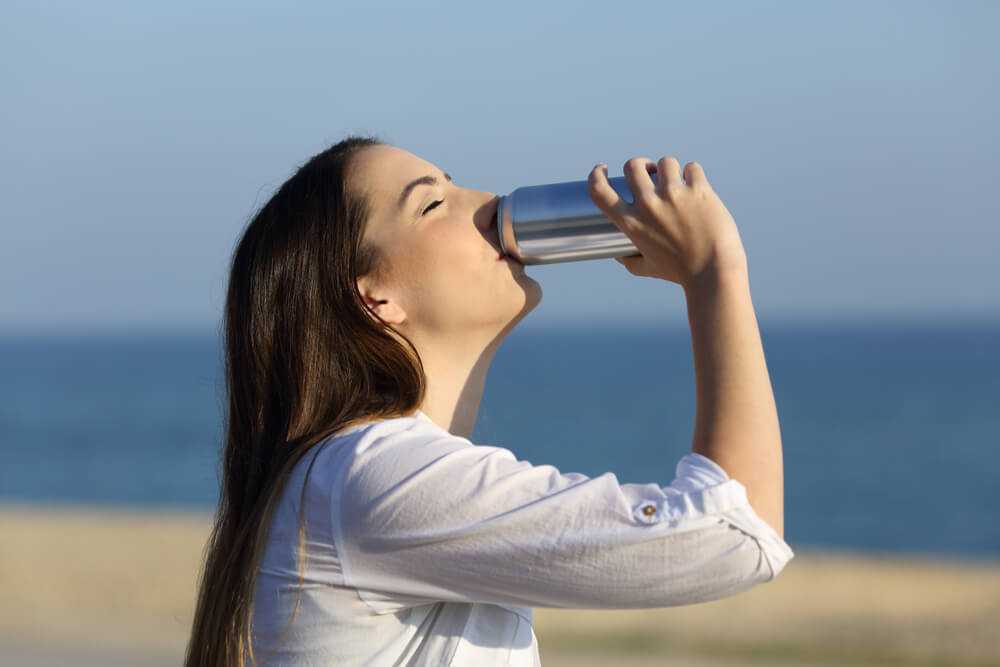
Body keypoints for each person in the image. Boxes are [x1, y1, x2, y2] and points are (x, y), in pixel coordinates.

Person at [185, 136, 793, 667]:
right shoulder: (368, 475)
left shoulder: (349, 477)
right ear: (372, 301)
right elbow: (734, 535)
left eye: (456, 183)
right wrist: (715, 271)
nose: (487, 204)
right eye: (432, 203)